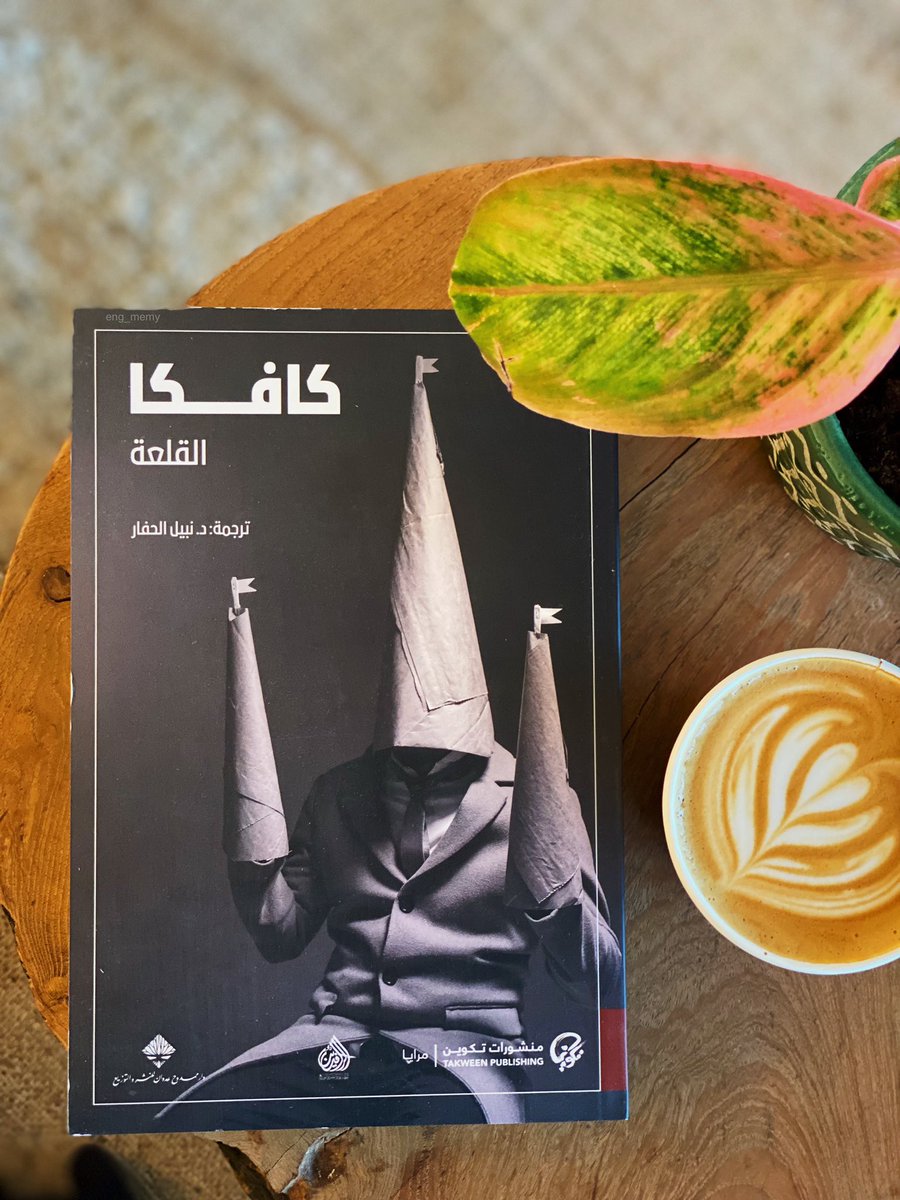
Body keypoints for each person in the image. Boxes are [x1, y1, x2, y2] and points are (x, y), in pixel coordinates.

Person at [160, 361, 621, 1128]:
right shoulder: (338, 794)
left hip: (464, 1054)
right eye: (408, 753)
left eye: (440, 756)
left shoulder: (532, 798)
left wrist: (555, 903)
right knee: (190, 1106)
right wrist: (256, 853)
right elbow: (282, 937)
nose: (419, 766)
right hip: (329, 1036)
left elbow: (601, 980)